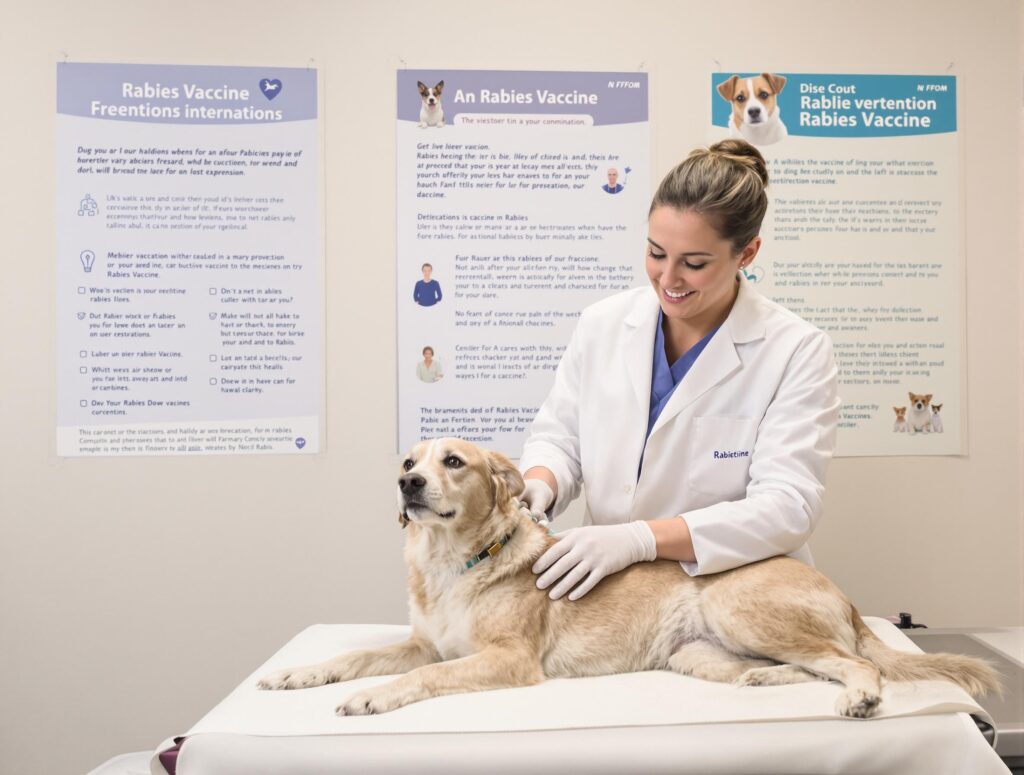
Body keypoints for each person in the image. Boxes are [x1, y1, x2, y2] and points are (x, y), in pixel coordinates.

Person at [519, 138, 840, 602]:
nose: (668, 280)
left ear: (747, 254)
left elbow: (787, 508)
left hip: (731, 592)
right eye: (655, 253)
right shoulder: (603, 324)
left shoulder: (796, 350)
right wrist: (539, 484)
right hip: (613, 600)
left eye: (694, 263)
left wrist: (641, 539)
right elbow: (560, 437)